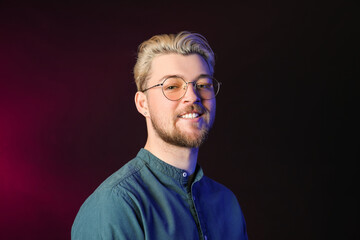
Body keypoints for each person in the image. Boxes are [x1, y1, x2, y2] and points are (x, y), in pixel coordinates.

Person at [71, 31, 248, 240]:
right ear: (142, 104)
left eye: (202, 85)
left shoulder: (227, 204)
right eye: (172, 86)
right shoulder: (116, 204)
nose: (192, 96)